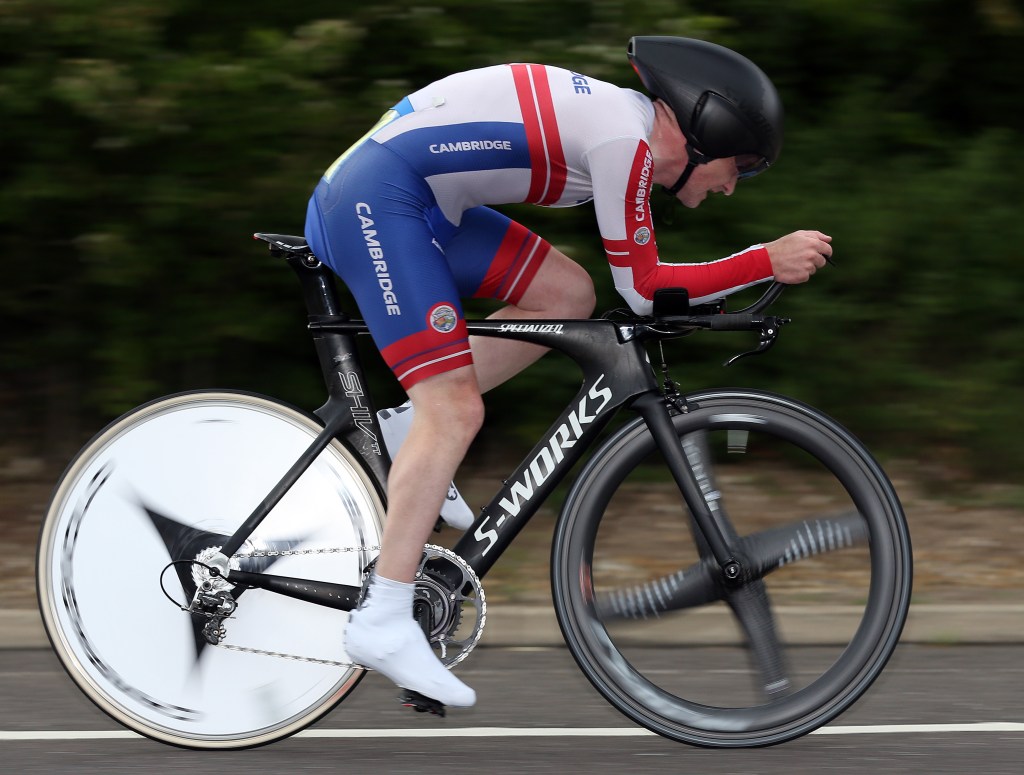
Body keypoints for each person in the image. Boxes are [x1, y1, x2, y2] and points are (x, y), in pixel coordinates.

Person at [303, 35, 833, 711]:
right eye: (740, 165)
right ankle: (383, 614)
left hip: (423, 201)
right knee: (456, 410)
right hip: (378, 199)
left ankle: (406, 432)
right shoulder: (624, 142)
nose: (734, 183)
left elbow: (634, 288)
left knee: (567, 295)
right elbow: (644, 289)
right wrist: (764, 260)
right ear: (706, 131)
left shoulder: (625, 135)